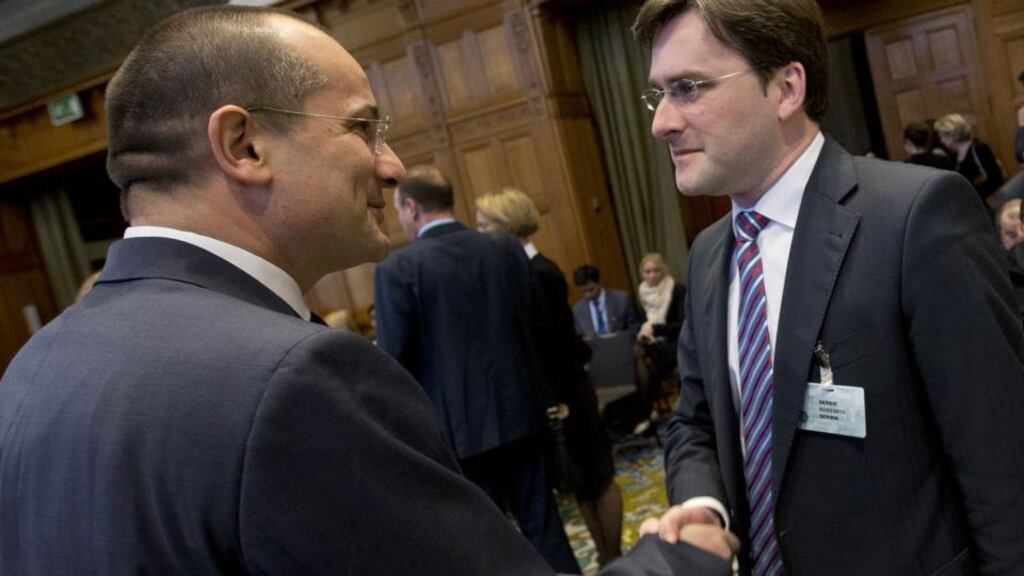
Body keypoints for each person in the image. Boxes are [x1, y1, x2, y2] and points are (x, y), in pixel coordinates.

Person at [0, 6, 738, 575]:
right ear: (244, 146)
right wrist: (682, 560)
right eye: (363, 128)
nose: (392, 166)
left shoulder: (35, 368)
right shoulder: (294, 380)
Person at [632, 0, 1024, 574]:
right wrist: (703, 505)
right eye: (659, 94)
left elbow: (1003, 466)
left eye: (688, 88)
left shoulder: (915, 218)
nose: (661, 122)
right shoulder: (710, 253)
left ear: (786, 88)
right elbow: (694, 422)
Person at [373, 166, 580, 574]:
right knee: (546, 531)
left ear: (411, 207)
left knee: (483, 549)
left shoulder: (398, 269)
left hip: (458, 436)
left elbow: (396, 361)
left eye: (398, 210)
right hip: (524, 416)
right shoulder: (505, 248)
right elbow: (538, 327)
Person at [476, 187, 624, 567]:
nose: (479, 233)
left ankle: (613, 557)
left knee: (597, 476)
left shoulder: (540, 272)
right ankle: (606, 561)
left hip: (568, 394)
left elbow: (558, 345)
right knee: (579, 483)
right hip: (554, 396)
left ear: (507, 225)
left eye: (484, 225)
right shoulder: (515, 272)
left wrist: (556, 398)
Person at [633, 253, 687, 434]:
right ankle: (649, 412)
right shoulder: (642, 292)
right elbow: (641, 322)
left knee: (644, 362)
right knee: (639, 357)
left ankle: (648, 414)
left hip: (676, 344)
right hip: (653, 345)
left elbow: (682, 325)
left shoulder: (677, 289)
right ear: (642, 273)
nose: (652, 275)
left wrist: (656, 329)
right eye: (647, 271)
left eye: (656, 270)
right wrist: (645, 331)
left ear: (663, 270)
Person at [934, 112, 1005, 208]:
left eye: (942, 136)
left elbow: (996, 178)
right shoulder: (953, 156)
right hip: (970, 204)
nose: (941, 141)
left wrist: (972, 193)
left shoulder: (979, 149)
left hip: (986, 203)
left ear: (951, 135)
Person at [572, 264, 642, 338]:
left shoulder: (622, 300)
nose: (587, 295)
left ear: (599, 282)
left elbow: (636, 327)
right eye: (583, 292)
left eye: (591, 290)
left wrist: (617, 336)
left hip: (620, 343)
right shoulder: (577, 310)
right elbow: (578, 335)